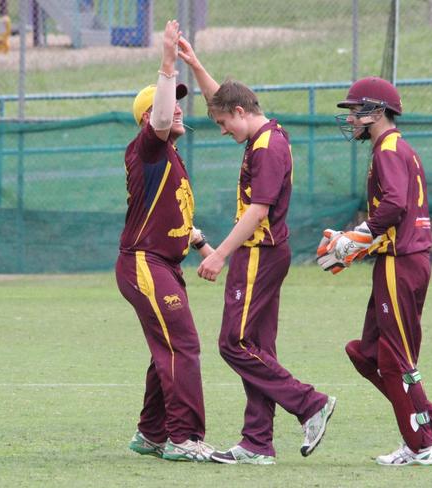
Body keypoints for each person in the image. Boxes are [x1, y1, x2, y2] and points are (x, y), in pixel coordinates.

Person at [176, 36, 336, 465]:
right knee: (257, 349)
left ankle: (310, 403)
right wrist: (195, 65)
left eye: (224, 124)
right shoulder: (265, 131)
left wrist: (218, 253)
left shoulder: (266, 147)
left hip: (258, 253)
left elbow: (259, 209)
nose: (223, 130)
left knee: (233, 343)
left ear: (242, 114)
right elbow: (221, 100)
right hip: (266, 253)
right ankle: (257, 443)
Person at [325, 76, 432, 466]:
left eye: (356, 111)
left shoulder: (387, 149)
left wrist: (360, 235)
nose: (351, 120)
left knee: (396, 358)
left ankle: (420, 444)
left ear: (377, 111)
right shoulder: (396, 147)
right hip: (401, 260)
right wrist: (359, 242)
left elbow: (396, 204)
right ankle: (431, 419)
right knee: (365, 352)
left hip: (401, 263)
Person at [115, 20, 216, 462]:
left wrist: (201, 243)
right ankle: (184, 437)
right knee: (183, 344)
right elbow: (158, 116)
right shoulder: (148, 148)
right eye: (168, 104)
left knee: (169, 346)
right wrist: (168, 62)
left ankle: (152, 433)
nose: (177, 109)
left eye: (179, 103)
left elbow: (176, 217)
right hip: (145, 263)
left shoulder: (170, 158)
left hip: (162, 263)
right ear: (146, 119)